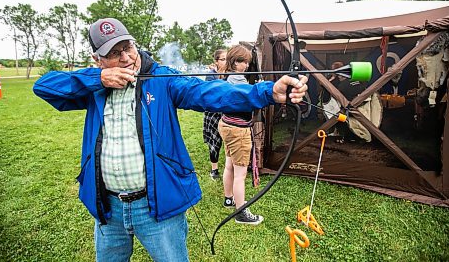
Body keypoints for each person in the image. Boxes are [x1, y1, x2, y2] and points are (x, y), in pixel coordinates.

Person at [33, 18, 308, 262]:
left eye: (127, 47)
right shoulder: (94, 85)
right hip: (108, 207)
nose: (126, 58)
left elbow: (209, 92)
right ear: (98, 60)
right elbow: (44, 86)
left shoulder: (162, 78)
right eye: (114, 54)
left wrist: (268, 92)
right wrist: (99, 79)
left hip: (156, 206)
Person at [218, 45, 263, 225]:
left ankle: (229, 199)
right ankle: (240, 212)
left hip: (226, 125)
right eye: (240, 61)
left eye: (246, 62)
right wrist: (258, 90)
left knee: (230, 164)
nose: (244, 65)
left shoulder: (227, 77)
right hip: (238, 130)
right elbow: (252, 102)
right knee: (240, 174)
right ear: (232, 62)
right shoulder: (240, 83)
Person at [203, 49, 226, 180]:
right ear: (216, 61)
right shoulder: (211, 75)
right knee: (214, 141)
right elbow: (210, 93)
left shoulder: (230, 74)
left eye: (227, 59)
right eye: (223, 59)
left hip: (226, 112)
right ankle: (214, 170)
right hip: (213, 113)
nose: (226, 62)